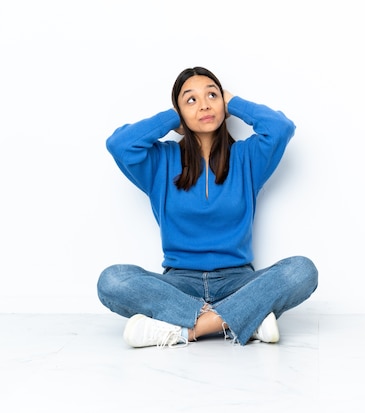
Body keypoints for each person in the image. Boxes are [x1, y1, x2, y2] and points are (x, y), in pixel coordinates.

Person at [97, 66, 318, 348]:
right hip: (179, 284)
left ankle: (183, 330)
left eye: (212, 95)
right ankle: (245, 319)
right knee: (113, 280)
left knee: (301, 270)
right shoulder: (160, 161)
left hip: (238, 281)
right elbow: (118, 144)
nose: (203, 105)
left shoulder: (247, 157)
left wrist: (234, 103)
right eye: (190, 100)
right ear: (179, 112)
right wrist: (171, 118)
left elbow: (281, 128)